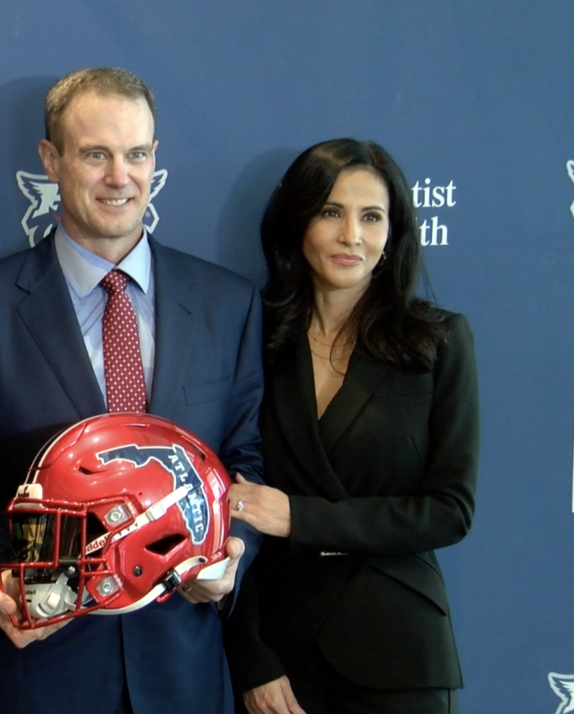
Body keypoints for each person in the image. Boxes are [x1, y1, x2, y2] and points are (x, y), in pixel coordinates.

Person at [0, 67, 265, 714]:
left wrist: (234, 557)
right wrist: (14, 579)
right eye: (96, 155)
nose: (121, 177)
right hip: (40, 671)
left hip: (183, 669)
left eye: (136, 154)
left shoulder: (228, 304)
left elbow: (243, 461)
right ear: (50, 160)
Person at [223, 138, 478, 714]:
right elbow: (220, 508)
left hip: (399, 651)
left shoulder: (438, 343)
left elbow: (450, 509)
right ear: (298, 220)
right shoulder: (245, 336)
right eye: (331, 212)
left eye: (371, 217)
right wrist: (251, 656)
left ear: (394, 233)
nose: (351, 236)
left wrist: (300, 516)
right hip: (281, 657)